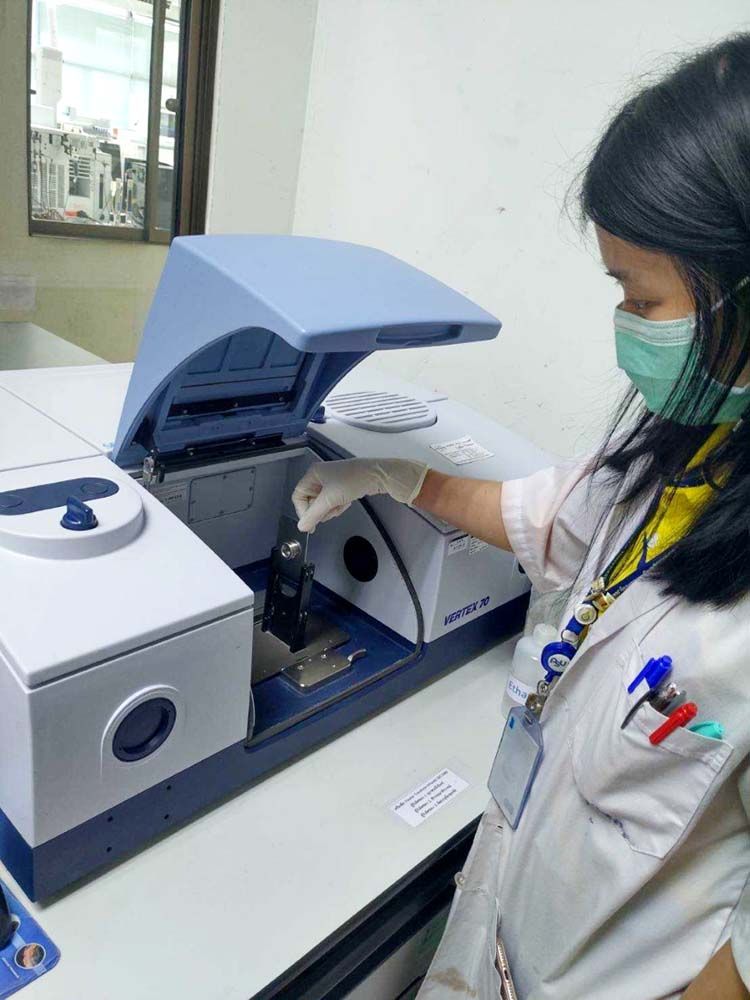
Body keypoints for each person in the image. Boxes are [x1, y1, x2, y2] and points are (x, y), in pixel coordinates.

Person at [292, 33, 750, 1000]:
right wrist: (389, 476)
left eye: (643, 299)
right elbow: (542, 516)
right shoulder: (692, 446)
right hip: (509, 917)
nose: (627, 328)